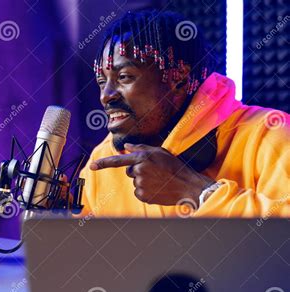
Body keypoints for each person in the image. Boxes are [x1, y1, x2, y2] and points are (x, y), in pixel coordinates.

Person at [78, 10, 289, 218]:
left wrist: (198, 192)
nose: (106, 96)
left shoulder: (269, 133)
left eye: (124, 77)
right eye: (101, 82)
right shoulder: (103, 159)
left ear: (179, 79)